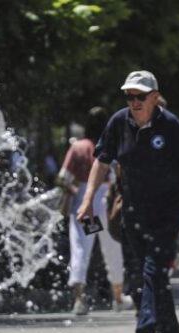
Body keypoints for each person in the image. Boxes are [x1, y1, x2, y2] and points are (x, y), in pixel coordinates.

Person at [77, 70, 179, 333]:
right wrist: (87, 200)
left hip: (167, 211)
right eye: (129, 96)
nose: (134, 102)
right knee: (148, 274)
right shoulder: (119, 122)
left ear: (155, 97)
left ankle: (144, 330)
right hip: (133, 210)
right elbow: (101, 161)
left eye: (140, 96)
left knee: (152, 267)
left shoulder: (169, 125)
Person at [58, 107, 132, 315]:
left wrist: (74, 191)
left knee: (82, 247)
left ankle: (79, 299)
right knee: (112, 248)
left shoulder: (78, 147)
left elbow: (63, 178)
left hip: (85, 202)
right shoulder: (111, 145)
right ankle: (117, 297)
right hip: (106, 203)